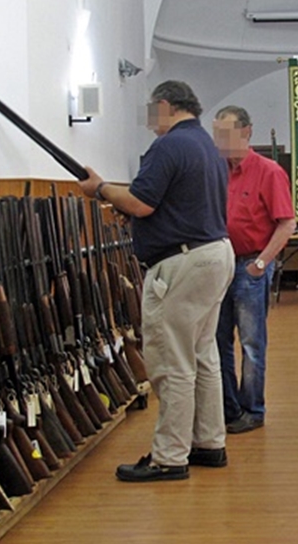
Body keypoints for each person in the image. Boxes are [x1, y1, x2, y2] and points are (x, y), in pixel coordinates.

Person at [79, 81, 235, 483]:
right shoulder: (205, 146)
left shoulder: (168, 146)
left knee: (172, 361)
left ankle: (169, 456)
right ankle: (208, 441)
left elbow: (140, 203)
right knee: (203, 357)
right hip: (213, 253)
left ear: (165, 106)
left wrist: (99, 189)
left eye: (153, 112)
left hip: (182, 261)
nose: (151, 122)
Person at [211, 106, 297, 434]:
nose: (221, 140)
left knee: (251, 343)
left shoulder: (269, 171)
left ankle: (253, 409)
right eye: (217, 133)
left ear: (247, 132)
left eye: (227, 133)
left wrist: (260, 265)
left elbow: (287, 224)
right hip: (218, 265)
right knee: (218, 340)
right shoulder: (214, 171)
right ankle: (228, 408)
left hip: (250, 266)